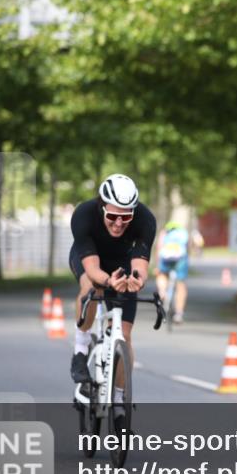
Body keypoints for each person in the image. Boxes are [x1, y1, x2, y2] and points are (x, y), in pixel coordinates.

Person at [68, 174, 156, 417]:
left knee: (124, 336)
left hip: (122, 263)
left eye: (126, 217)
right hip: (90, 259)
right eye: (113, 216)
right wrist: (108, 281)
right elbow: (93, 269)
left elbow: (140, 265)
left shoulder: (145, 219)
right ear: (102, 206)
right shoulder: (84, 215)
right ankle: (81, 346)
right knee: (92, 287)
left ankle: (118, 400)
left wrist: (137, 280)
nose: (118, 223)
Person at [155, 220, 191, 324]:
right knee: (181, 285)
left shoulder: (165, 232)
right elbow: (187, 248)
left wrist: (157, 265)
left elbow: (159, 247)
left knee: (162, 274)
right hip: (180, 259)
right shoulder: (184, 232)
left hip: (165, 257)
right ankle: (179, 313)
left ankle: (162, 292)